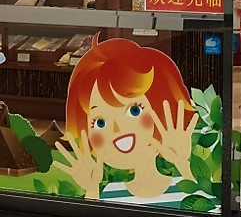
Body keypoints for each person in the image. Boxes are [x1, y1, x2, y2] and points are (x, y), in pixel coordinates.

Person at [56, 36, 198, 200]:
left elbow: (204, 208)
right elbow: (96, 216)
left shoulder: (183, 184)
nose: (117, 128)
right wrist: (91, 189)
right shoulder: (111, 193)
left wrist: (183, 164)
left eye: (134, 111)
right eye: (100, 122)